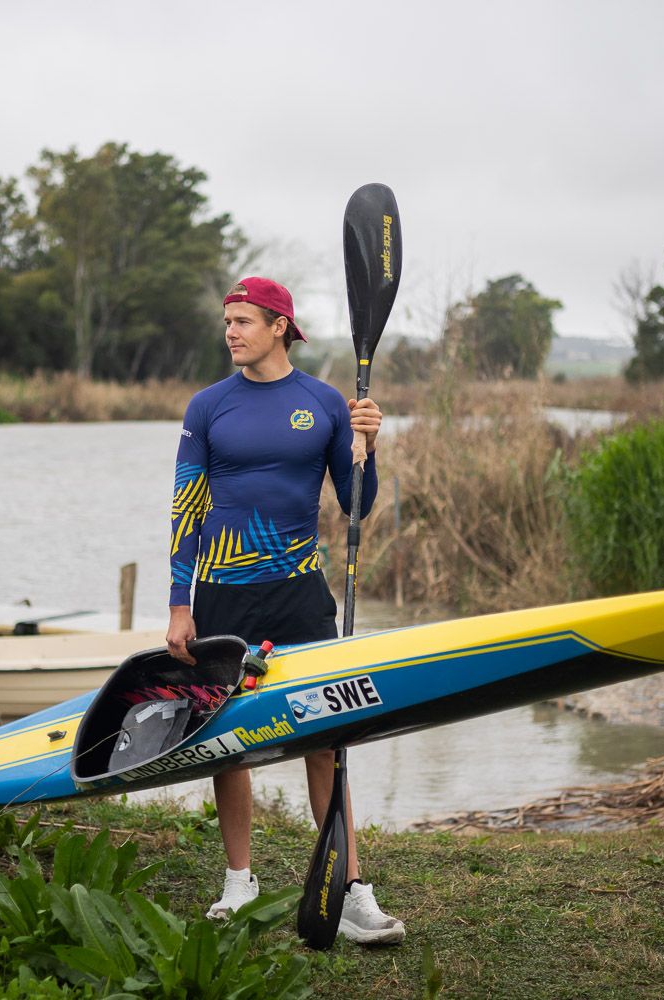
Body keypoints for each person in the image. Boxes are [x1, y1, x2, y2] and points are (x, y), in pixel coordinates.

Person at [166, 275, 405, 946]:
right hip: (222, 594)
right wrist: (178, 603)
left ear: (280, 326)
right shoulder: (208, 406)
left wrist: (369, 445)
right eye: (228, 322)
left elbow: (358, 505)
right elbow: (186, 508)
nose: (232, 332)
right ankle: (238, 883)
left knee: (327, 739)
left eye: (244, 321)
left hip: (300, 593)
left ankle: (350, 889)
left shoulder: (325, 404)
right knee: (225, 741)